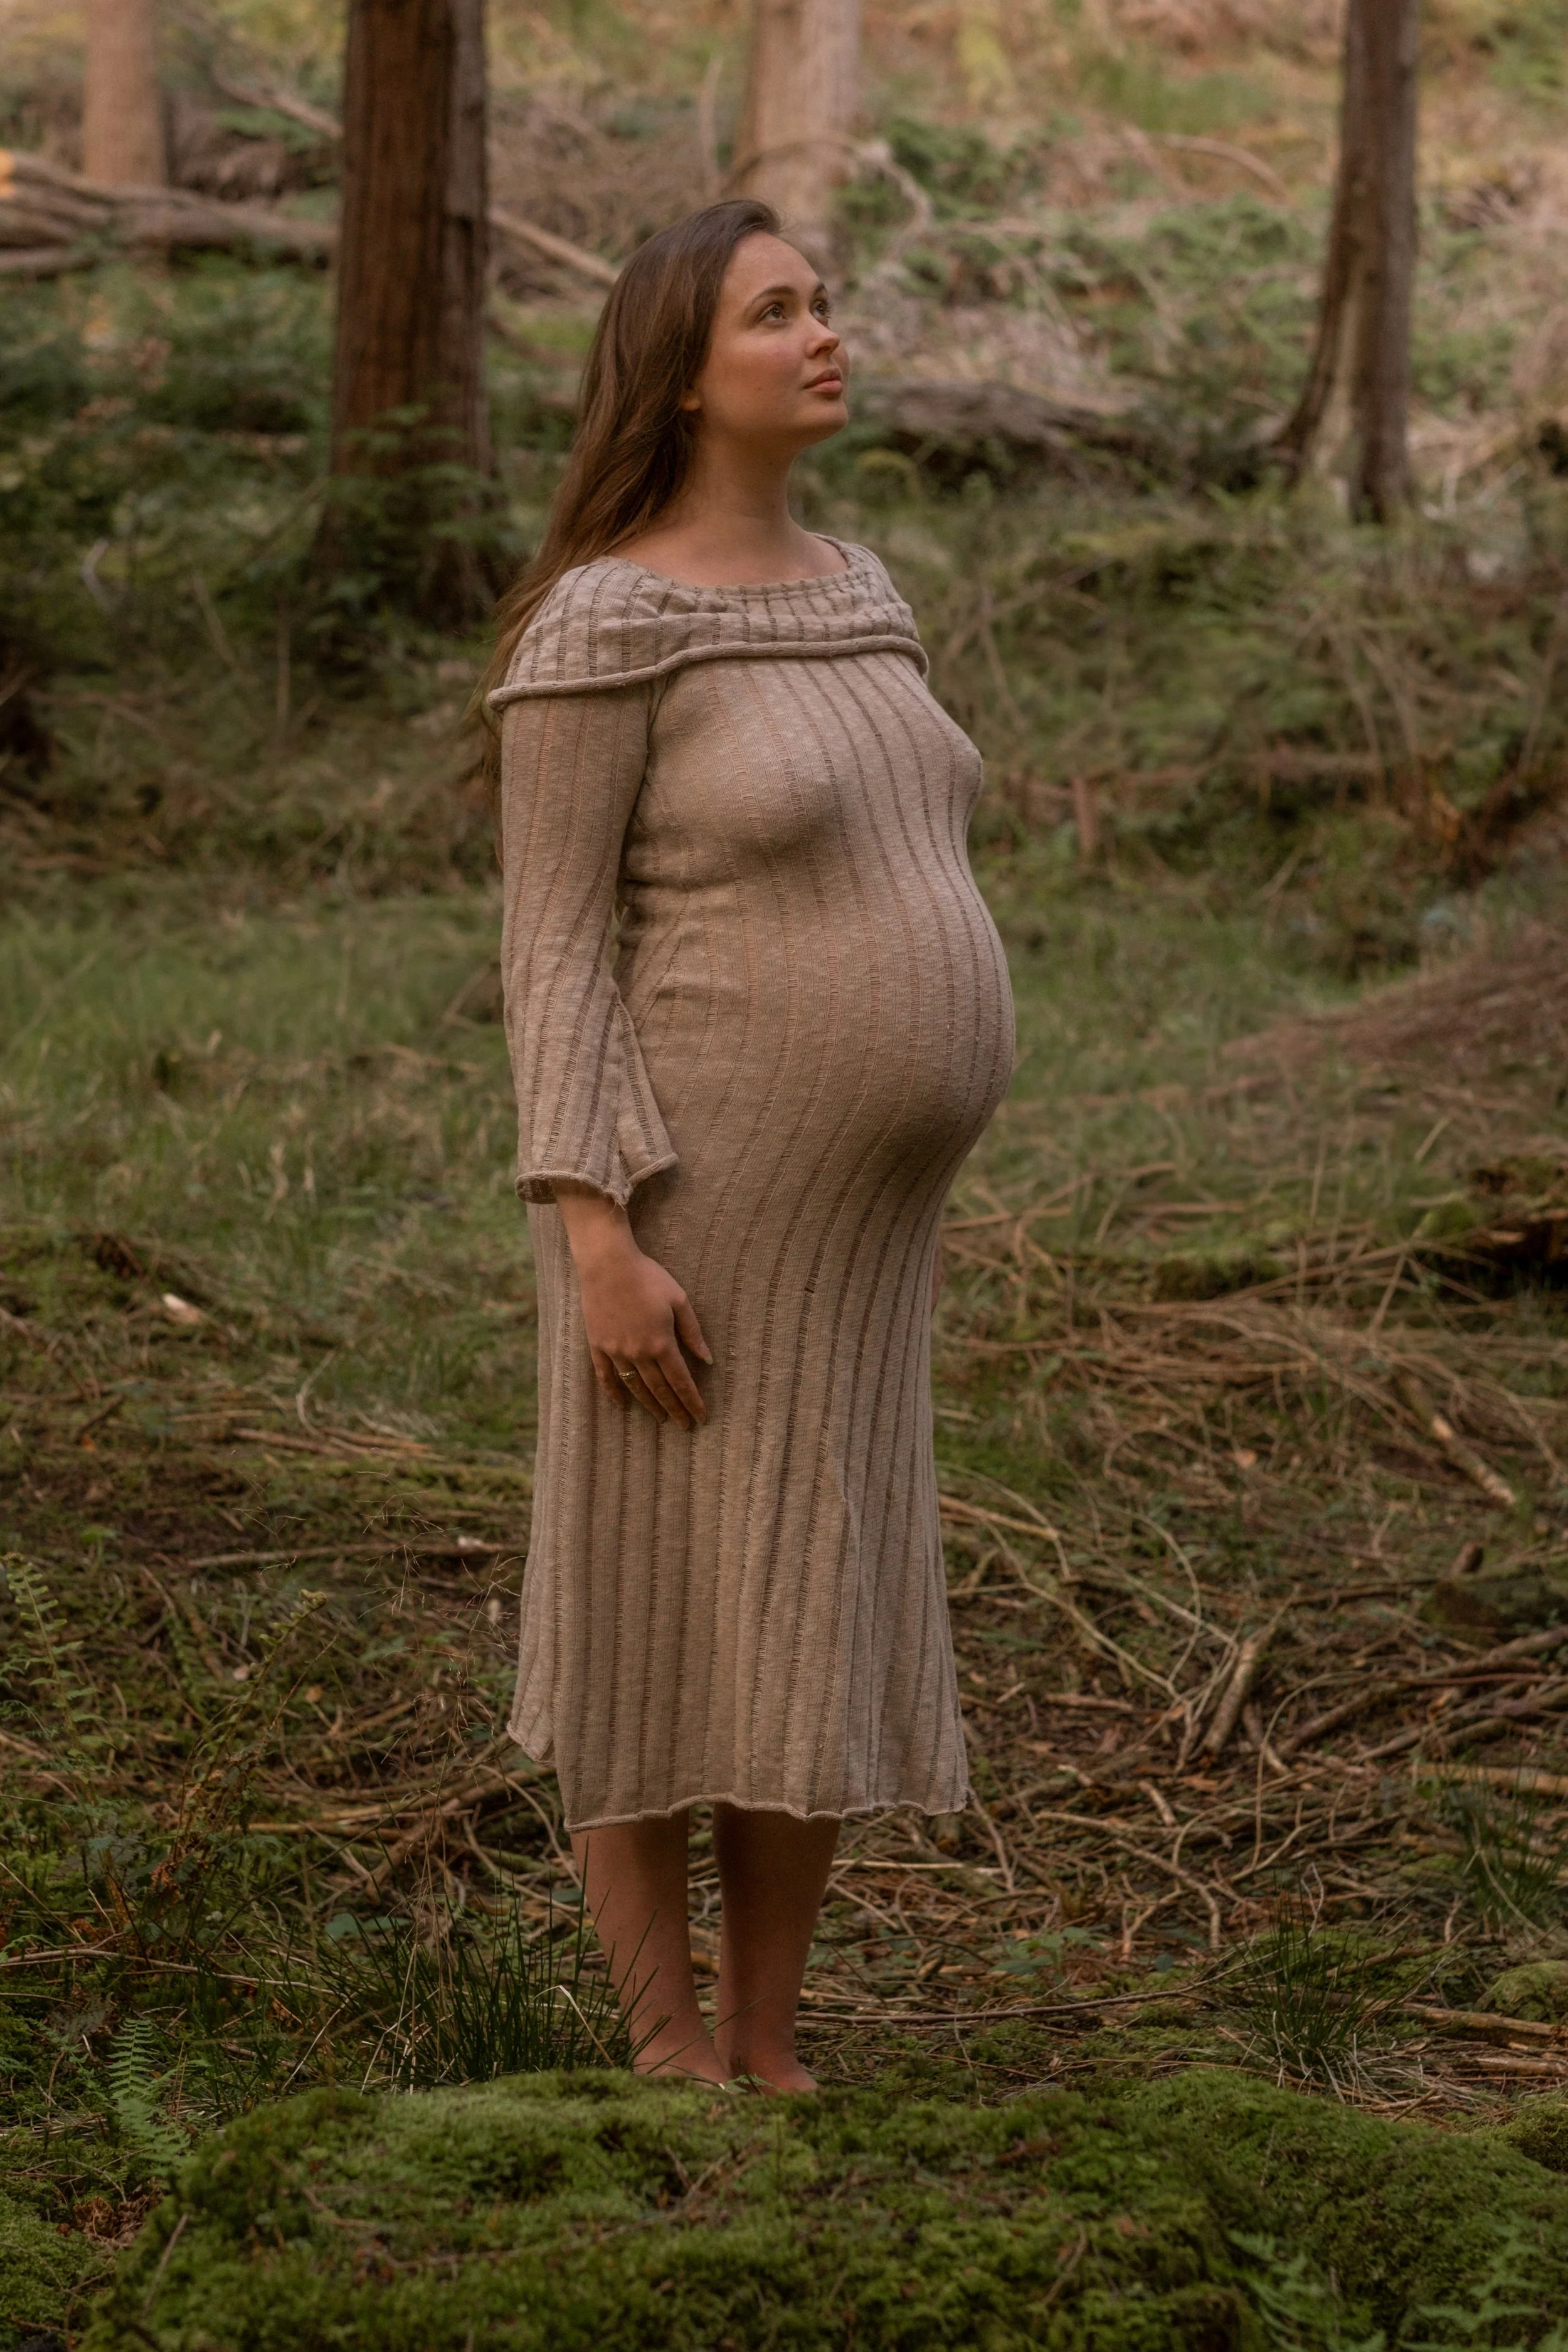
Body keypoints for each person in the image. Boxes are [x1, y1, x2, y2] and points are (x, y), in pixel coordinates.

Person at [482, 198, 1015, 2091]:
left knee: (810, 1598)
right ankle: (663, 2042)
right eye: (773, 311)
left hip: (858, 1243)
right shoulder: (606, 619)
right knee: (654, 1604)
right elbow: (549, 948)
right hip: (687, 1210)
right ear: (679, 372)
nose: (821, 333)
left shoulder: (862, 584)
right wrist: (595, 1231)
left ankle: (772, 2042)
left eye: (822, 302)